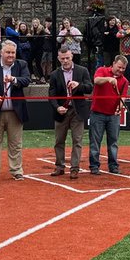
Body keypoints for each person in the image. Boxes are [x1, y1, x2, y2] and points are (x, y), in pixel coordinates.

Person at [0, 39, 30, 181]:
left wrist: (14, 79)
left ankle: (16, 170)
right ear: (1, 52)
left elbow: (26, 80)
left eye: (13, 52)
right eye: (8, 52)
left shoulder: (22, 64)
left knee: (15, 143)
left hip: (15, 112)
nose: (10, 55)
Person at [48, 47, 93, 179]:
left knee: (77, 140)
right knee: (59, 140)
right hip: (62, 111)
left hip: (77, 110)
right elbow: (51, 95)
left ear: (72, 56)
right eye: (62, 59)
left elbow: (89, 88)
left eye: (67, 58)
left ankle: (75, 168)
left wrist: (78, 85)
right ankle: (60, 166)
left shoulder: (82, 70)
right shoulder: (55, 74)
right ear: (58, 59)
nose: (65, 61)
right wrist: (57, 107)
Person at [89, 54, 129, 175]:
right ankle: (94, 166)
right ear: (113, 64)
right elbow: (96, 81)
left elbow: (123, 97)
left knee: (113, 141)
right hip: (97, 113)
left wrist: (120, 107)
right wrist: (109, 79)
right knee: (95, 141)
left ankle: (113, 165)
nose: (120, 70)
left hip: (113, 115)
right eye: (119, 67)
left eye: (123, 68)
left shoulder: (124, 81)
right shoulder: (102, 70)